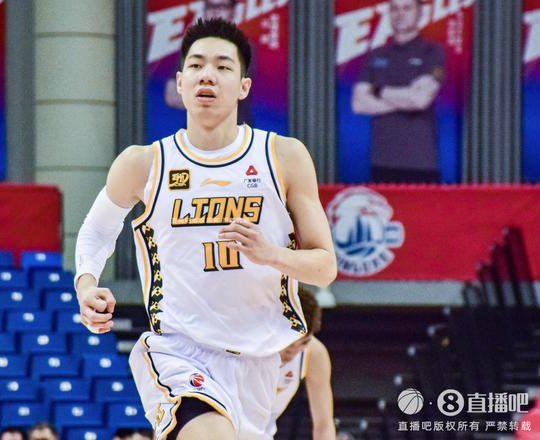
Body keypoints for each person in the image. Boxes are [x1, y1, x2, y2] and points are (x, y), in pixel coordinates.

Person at [75, 17, 336, 440]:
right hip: (181, 351)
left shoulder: (283, 157)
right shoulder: (144, 163)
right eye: (196, 65)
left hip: (259, 359)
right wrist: (86, 285)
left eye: (222, 66)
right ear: (180, 83)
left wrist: (271, 254)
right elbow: (96, 231)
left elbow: (325, 267)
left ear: (244, 86)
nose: (207, 75)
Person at [351, 0, 445, 183]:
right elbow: (359, 104)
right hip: (382, 161)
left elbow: (420, 100)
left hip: (421, 163)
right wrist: (406, 97)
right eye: (394, 8)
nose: (400, 13)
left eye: (407, 8)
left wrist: (378, 91)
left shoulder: (433, 53)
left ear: (420, 12)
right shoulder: (376, 55)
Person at [164, 0, 252, 124]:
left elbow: (228, 94)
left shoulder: (244, 48)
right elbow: (171, 95)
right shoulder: (193, 47)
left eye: (222, 7)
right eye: (211, 6)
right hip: (195, 130)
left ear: (233, 11)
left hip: (236, 128)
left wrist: (197, 94)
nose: (215, 12)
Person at [268, 288, 335, 440]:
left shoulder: (314, 353)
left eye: (303, 343)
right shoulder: (248, 348)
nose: (294, 350)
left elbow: (324, 425)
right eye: (290, 343)